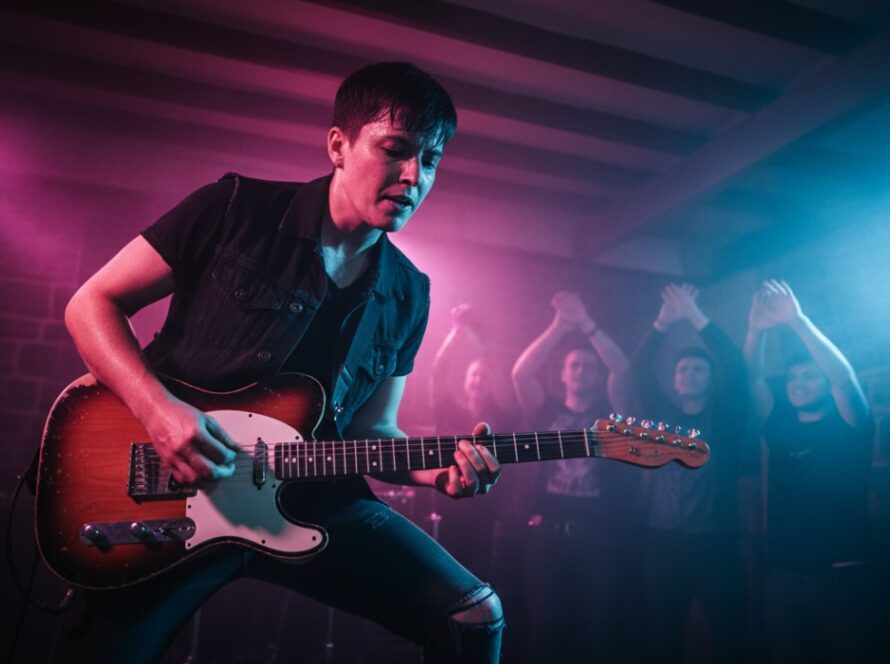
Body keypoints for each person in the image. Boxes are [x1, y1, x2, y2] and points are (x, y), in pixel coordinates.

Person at [60, 62, 503, 663]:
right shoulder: (233, 208)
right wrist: (160, 411)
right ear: (338, 146)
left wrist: (437, 472)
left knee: (473, 615)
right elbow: (92, 304)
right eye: (396, 150)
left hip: (315, 501)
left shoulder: (409, 292)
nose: (413, 176)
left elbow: (373, 431)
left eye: (430, 161)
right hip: (174, 495)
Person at [745, 279, 874, 663]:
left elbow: (843, 379)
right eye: (793, 378)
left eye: (808, 377)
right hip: (783, 576)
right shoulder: (779, 422)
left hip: (841, 575)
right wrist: (755, 331)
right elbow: (748, 378)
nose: (798, 384)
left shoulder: (851, 423)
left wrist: (798, 322)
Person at [511, 290, 643, 661]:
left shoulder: (612, 413)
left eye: (589, 366)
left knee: (597, 629)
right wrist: (558, 326)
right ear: (564, 375)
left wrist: (586, 325)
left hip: (599, 537)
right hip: (546, 535)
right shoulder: (547, 410)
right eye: (575, 366)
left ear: (598, 376)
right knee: (544, 628)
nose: (583, 371)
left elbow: (624, 371)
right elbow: (520, 373)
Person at [630, 283, 748, 664]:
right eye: (683, 368)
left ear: (710, 379)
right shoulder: (661, 421)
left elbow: (734, 363)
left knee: (730, 635)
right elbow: (638, 371)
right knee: (663, 638)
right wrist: (662, 322)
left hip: (715, 547)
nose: (690, 373)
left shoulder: (727, 418)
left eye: (699, 368)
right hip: (662, 545)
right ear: (675, 378)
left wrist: (695, 315)